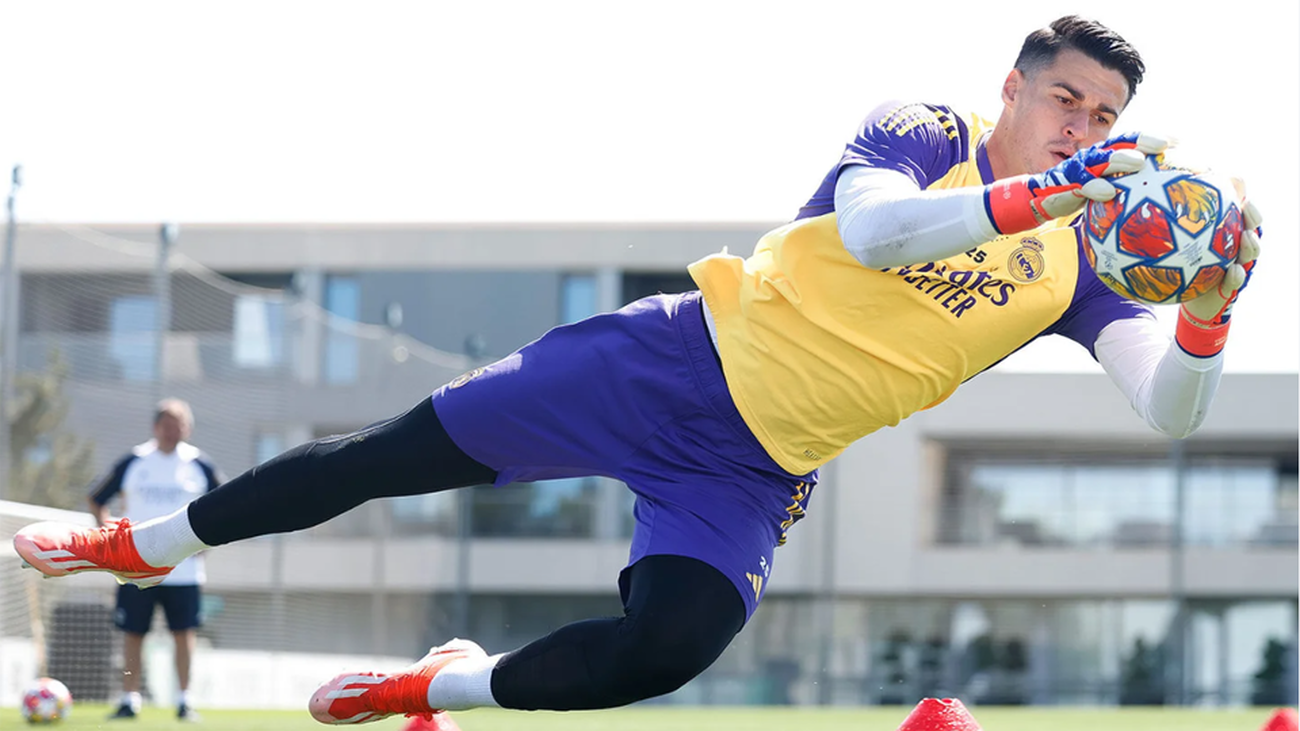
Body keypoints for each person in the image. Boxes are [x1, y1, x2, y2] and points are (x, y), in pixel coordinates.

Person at [15, 15, 1261, 725]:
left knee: (662, 649)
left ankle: (439, 681)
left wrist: (1202, 317)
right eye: (1065, 99)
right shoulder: (925, 133)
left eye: (1103, 119)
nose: (1081, 129)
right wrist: (1033, 187)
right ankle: (143, 542)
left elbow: (1164, 407)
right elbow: (878, 229)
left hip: (754, 463)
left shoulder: (1083, 262)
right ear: (1013, 85)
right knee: (389, 458)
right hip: (669, 360)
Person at [86, 399, 223, 722]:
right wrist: (111, 539)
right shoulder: (134, 461)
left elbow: (227, 503)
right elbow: (95, 499)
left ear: (187, 428)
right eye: (167, 423)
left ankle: (184, 700)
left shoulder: (199, 464)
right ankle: (129, 698)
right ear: (156, 427)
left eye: (179, 424)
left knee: (184, 633)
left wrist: (210, 541)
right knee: (133, 633)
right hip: (136, 568)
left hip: (185, 570)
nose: (173, 430)